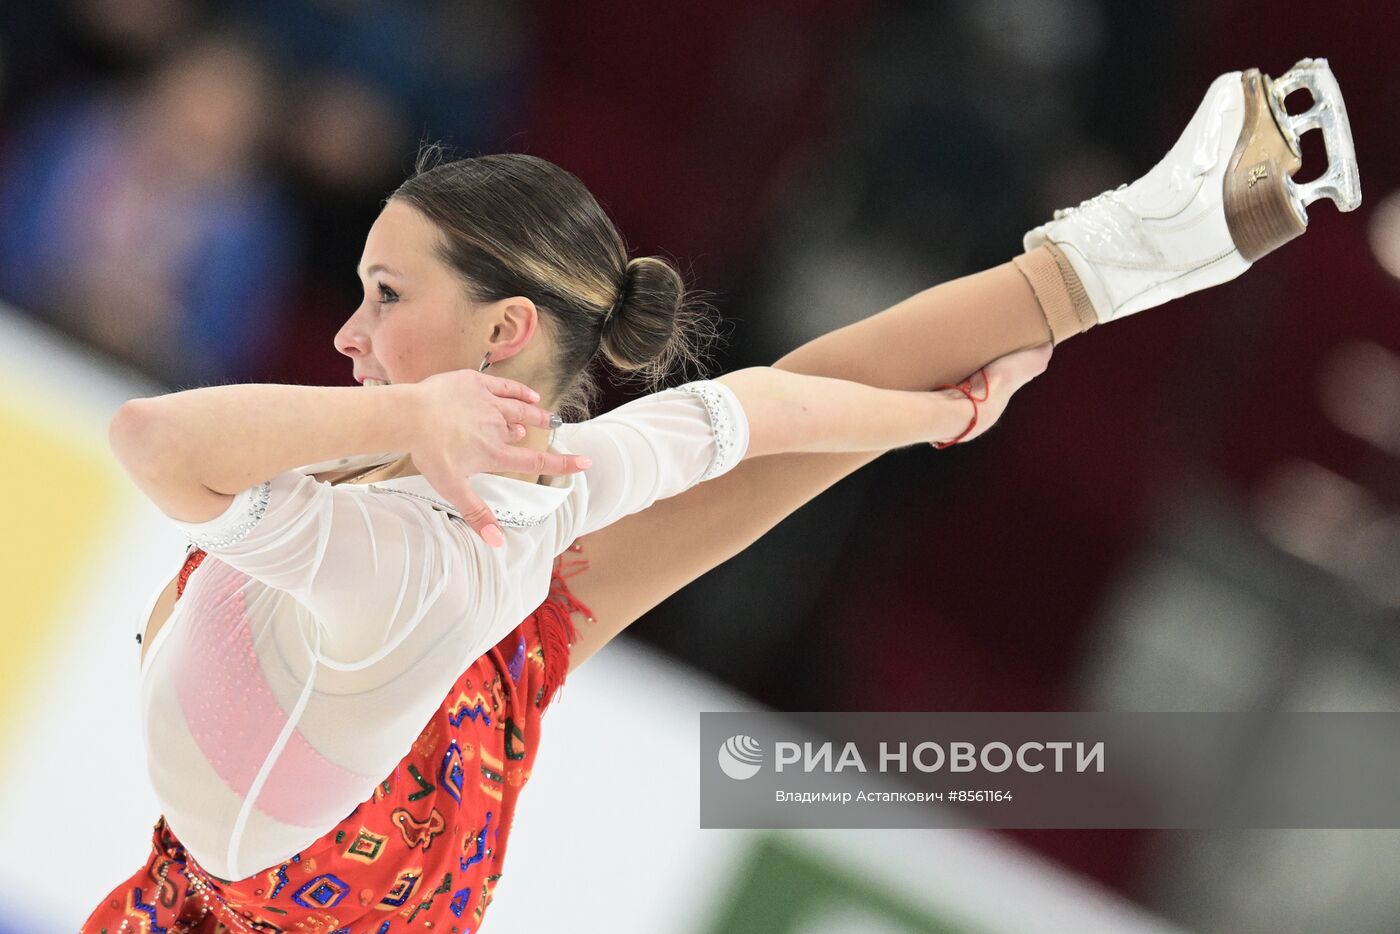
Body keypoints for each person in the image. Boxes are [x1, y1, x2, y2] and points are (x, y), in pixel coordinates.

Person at [83, 58, 1358, 932]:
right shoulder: (559, 485)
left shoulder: (401, 523)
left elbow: (156, 435)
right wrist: (939, 413)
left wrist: (402, 417)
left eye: (388, 296)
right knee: (781, 424)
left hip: (332, 842)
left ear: (503, 330)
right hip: (399, 774)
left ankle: (1155, 237)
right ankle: (1158, 236)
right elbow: (771, 409)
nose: (353, 333)